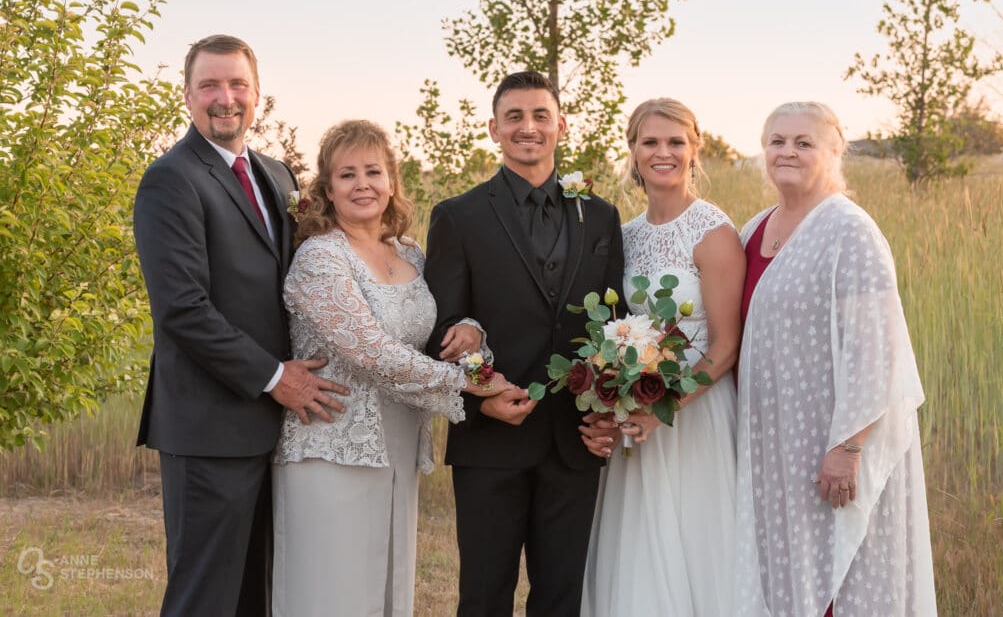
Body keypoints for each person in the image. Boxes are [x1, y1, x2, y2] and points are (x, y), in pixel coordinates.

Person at [133, 35, 347, 616]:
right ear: (187, 96)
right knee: (205, 598)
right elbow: (182, 309)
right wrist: (275, 376)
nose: (224, 98)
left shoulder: (277, 174)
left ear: (257, 95)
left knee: (259, 595)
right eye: (210, 85)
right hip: (208, 429)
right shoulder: (170, 180)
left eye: (237, 85)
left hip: (276, 431)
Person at [271, 119, 508, 616]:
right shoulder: (320, 258)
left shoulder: (411, 254)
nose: (363, 184)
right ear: (328, 190)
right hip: (334, 444)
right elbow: (373, 353)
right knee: (335, 592)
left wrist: (471, 333)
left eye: (373, 172)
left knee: (387, 590)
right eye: (347, 175)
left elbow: (437, 328)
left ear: (392, 181)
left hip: (399, 442)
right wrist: (473, 383)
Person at [424, 71, 625, 616]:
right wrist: (484, 393)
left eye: (540, 115)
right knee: (485, 595)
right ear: (494, 128)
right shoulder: (457, 216)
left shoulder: (601, 215)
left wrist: (608, 405)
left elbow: (616, 324)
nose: (528, 127)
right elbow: (441, 327)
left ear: (561, 125)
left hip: (574, 440)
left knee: (562, 597)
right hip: (491, 439)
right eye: (514, 117)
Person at [733, 102, 937, 616]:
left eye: (804, 143)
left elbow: (877, 346)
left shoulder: (850, 230)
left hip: (829, 445)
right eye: (777, 141)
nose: (787, 152)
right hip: (771, 447)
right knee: (781, 570)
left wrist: (847, 447)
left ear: (834, 150)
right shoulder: (755, 229)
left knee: (841, 574)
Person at [578, 98, 746, 616]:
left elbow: (724, 347)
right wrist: (614, 391)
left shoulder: (713, 232)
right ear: (632, 150)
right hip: (637, 413)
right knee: (639, 549)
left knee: (694, 545)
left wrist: (663, 404)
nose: (663, 152)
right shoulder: (624, 235)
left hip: (694, 412)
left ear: (695, 150)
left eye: (676, 142)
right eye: (650, 142)